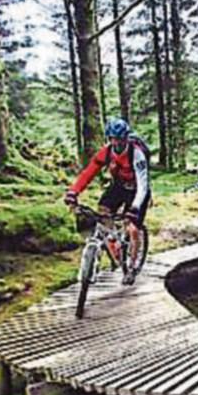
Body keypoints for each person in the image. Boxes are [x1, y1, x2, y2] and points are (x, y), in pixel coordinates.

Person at [64, 118, 151, 285]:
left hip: (138, 191)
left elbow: (143, 184)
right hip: (118, 186)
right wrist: (73, 192)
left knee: (132, 228)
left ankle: (132, 267)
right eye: (113, 138)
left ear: (126, 137)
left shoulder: (136, 153)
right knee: (102, 211)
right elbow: (88, 173)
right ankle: (113, 242)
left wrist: (134, 207)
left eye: (120, 138)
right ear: (108, 138)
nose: (117, 142)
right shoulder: (106, 152)